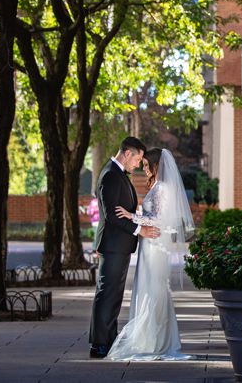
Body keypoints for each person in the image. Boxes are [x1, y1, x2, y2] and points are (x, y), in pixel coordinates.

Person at [106, 147, 196, 361]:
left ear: (157, 165)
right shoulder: (157, 186)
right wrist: (137, 215)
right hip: (149, 245)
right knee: (148, 288)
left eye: (147, 165)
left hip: (156, 245)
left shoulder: (163, 188)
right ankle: (150, 339)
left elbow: (160, 220)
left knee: (153, 289)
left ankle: (154, 341)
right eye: (143, 164)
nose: (144, 169)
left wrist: (132, 216)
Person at [88, 137, 161, 359]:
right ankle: (99, 344)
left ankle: (108, 340)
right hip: (112, 245)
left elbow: (122, 212)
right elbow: (111, 216)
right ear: (127, 153)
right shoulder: (111, 175)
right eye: (138, 159)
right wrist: (140, 230)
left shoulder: (118, 174)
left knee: (113, 294)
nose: (138, 164)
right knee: (107, 293)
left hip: (118, 246)